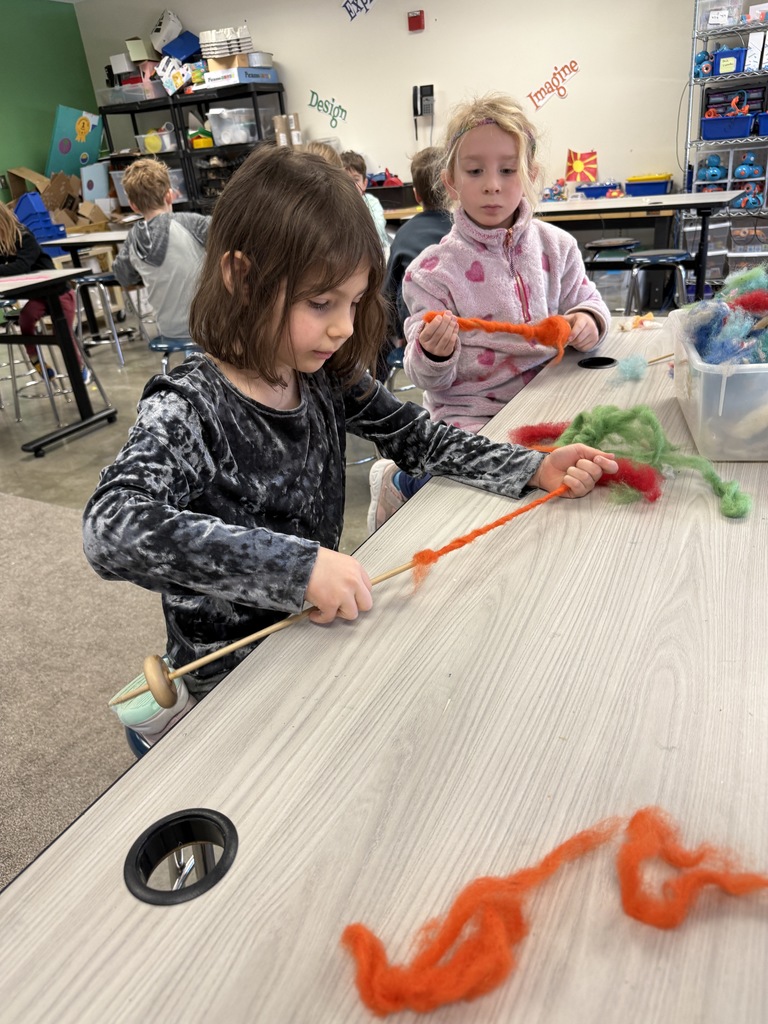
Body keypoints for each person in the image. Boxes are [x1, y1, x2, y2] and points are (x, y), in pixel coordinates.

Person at [82, 145, 617, 707]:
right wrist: (297, 568)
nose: (341, 327)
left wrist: (532, 466)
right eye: (320, 302)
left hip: (316, 634)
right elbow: (108, 527)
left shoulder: (323, 371)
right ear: (241, 276)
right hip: (231, 676)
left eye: (355, 302)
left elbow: (417, 437)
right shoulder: (189, 406)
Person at [368, 94, 611, 532]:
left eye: (507, 169)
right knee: (489, 510)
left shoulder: (557, 248)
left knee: (585, 479)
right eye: (475, 171)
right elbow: (424, 377)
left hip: (547, 396)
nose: (492, 185)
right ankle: (402, 482)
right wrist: (434, 354)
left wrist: (588, 322)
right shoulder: (430, 272)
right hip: (470, 414)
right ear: (451, 181)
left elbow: (588, 300)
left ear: (531, 175)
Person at [112, 158, 210, 340]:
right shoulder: (191, 223)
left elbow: (123, 276)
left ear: (133, 206)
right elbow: (229, 236)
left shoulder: (133, 239)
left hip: (169, 330)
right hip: (210, 326)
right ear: (170, 195)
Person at [0, 202, 88, 382]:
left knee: (61, 331)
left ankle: (79, 368)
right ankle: (36, 360)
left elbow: (21, 267)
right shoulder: (2, 244)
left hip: (58, 292)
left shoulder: (24, 236)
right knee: (25, 318)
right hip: (37, 297)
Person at [383, 146, 452, 345]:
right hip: (462, 325)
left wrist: (397, 334)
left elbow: (387, 293)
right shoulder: (465, 231)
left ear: (416, 195)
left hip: (417, 331)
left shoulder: (404, 234)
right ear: (452, 188)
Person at [340, 150, 391, 261]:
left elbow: (377, 230)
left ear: (364, 184)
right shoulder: (338, 205)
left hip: (377, 253)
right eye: (345, 179)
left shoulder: (371, 202)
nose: (351, 184)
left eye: (355, 179)